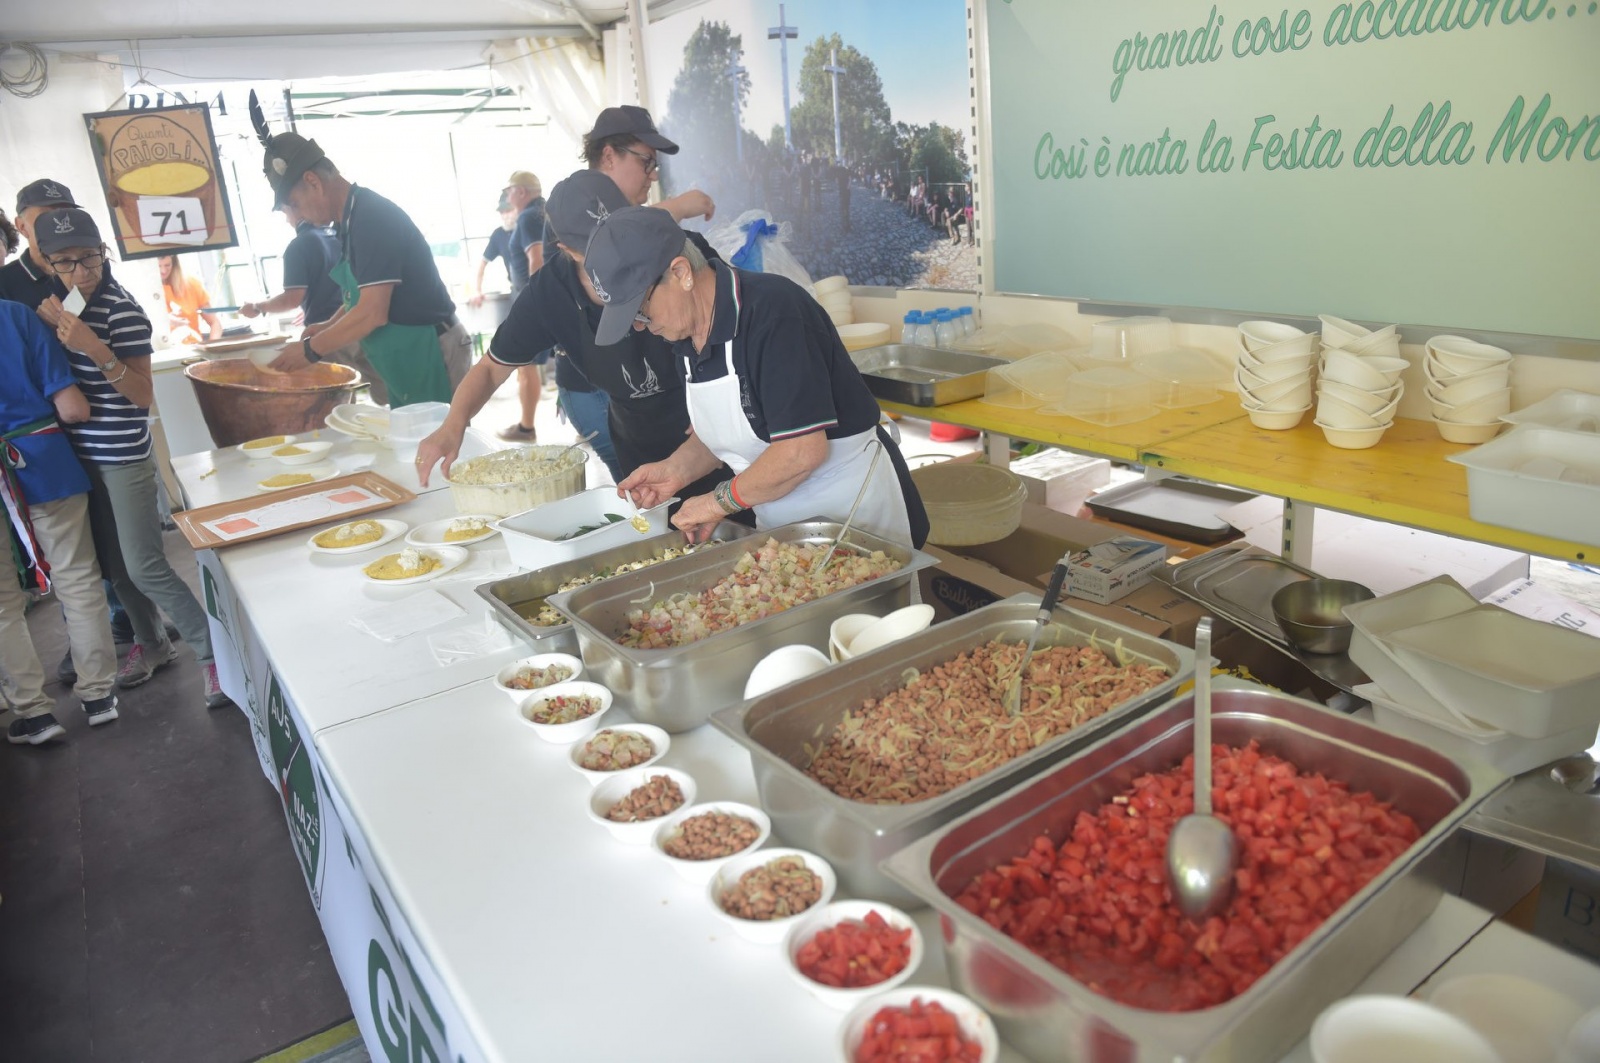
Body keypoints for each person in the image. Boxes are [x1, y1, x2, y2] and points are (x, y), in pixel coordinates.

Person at [588, 206, 928, 548]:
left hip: (854, 511)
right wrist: (675, 470)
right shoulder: (685, 337)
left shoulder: (773, 312)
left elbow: (800, 452)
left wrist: (716, 503)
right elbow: (734, 431)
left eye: (640, 310)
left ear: (680, 273)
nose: (638, 326)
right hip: (780, 521)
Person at [415, 168, 736, 505]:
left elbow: (732, 331)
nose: (615, 260)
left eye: (621, 236)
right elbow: (491, 367)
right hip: (640, 443)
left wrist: (719, 409)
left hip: (717, 431)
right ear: (565, 248)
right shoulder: (550, 293)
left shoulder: (676, 248)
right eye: (595, 252)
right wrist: (454, 423)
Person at [33, 208, 222, 708]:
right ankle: (155, 645)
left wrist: (95, 349)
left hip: (124, 459)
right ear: (47, 261)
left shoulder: (120, 310)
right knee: (114, 568)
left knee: (144, 566)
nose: (81, 272)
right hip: (81, 459)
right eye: (66, 262)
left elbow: (141, 397)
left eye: (90, 259)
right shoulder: (61, 304)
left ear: (103, 252)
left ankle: (215, 655)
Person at [252, 122, 469, 406]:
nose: (297, 215)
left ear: (313, 182)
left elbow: (372, 312)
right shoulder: (349, 221)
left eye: (294, 203)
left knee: (440, 445)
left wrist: (310, 351)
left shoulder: (370, 218)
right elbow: (360, 294)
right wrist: (329, 324)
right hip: (408, 354)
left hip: (430, 349)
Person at [0, 296, 120, 744]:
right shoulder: (17, 315)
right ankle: (98, 695)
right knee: (78, 577)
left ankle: (32, 714)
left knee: (1, 604)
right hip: (43, 461)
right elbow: (73, 408)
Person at [496, 171, 548, 444]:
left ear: (521, 192)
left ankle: (526, 428)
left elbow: (536, 259)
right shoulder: (545, 212)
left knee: (524, 366)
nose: (506, 197)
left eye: (508, 191)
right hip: (548, 299)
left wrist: (531, 306)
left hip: (533, 302)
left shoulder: (528, 217)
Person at [239, 204, 342, 329]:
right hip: (351, 322)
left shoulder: (299, 246)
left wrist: (256, 307)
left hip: (326, 329)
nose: (287, 221)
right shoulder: (337, 236)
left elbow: (291, 300)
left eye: (285, 213)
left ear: (296, 209)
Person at [0, 178, 74, 309]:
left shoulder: (92, 264)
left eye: (66, 214)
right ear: (21, 226)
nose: (58, 221)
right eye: (45, 216)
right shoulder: (4, 283)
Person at [158, 255, 222, 344]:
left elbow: (215, 323)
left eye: (167, 265)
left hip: (194, 347)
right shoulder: (142, 291)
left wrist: (213, 347)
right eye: (158, 266)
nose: (163, 271)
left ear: (174, 264)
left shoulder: (192, 284)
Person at [467, 197, 518, 309]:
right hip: (517, 289)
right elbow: (482, 263)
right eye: (502, 212)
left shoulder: (529, 227)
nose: (505, 216)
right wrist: (477, 290)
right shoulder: (498, 235)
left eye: (508, 211)